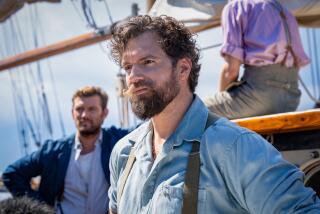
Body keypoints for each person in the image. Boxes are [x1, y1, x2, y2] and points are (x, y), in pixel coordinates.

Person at [107, 15, 320, 214]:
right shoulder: (124, 154)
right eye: (127, 67)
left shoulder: (233, 147)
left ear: (183, 69)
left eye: (147, 62)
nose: (133, 76)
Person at [2, 86, 129, 214]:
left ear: (104, 113)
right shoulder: (53, 151)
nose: (84, 115)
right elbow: (12, 174)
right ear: (72, 113)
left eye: (92, 109)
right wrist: (40, 208)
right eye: (79, 109)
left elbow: (146, 127)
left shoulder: (118, 141)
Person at [204, 0, 310, 119]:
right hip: (291, 99)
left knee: (191, 113)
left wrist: (223, 99)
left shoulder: (236, 7)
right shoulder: (285, 12)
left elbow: (231, 71)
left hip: (258, 97)